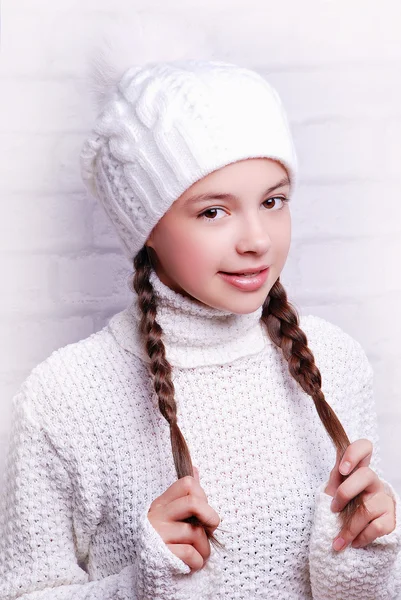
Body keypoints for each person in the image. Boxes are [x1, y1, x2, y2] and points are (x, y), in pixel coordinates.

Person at [0, 58, 400, 600]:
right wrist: (142, 585)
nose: (256, 238)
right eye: (214, 211)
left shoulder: (335, 360)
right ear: (148, 228)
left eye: (273, 201)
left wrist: (366, 549)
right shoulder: (65, 396)